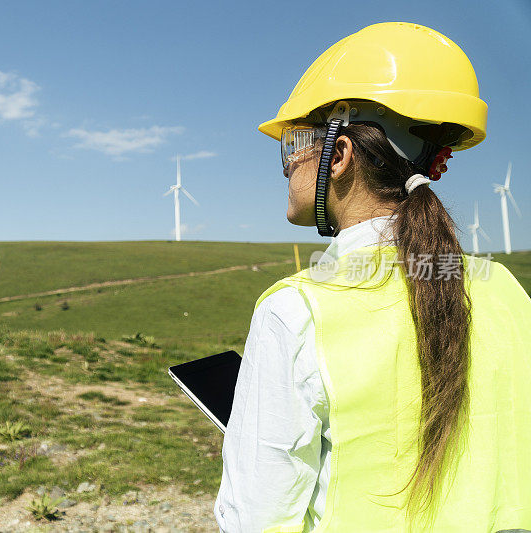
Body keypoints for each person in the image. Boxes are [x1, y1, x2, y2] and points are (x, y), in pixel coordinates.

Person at [214, 22, 531, 532]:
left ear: (337, 157)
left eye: (296, 141)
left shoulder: (296, 314)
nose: (287, 162)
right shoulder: (508, 292)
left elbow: (255, 520)